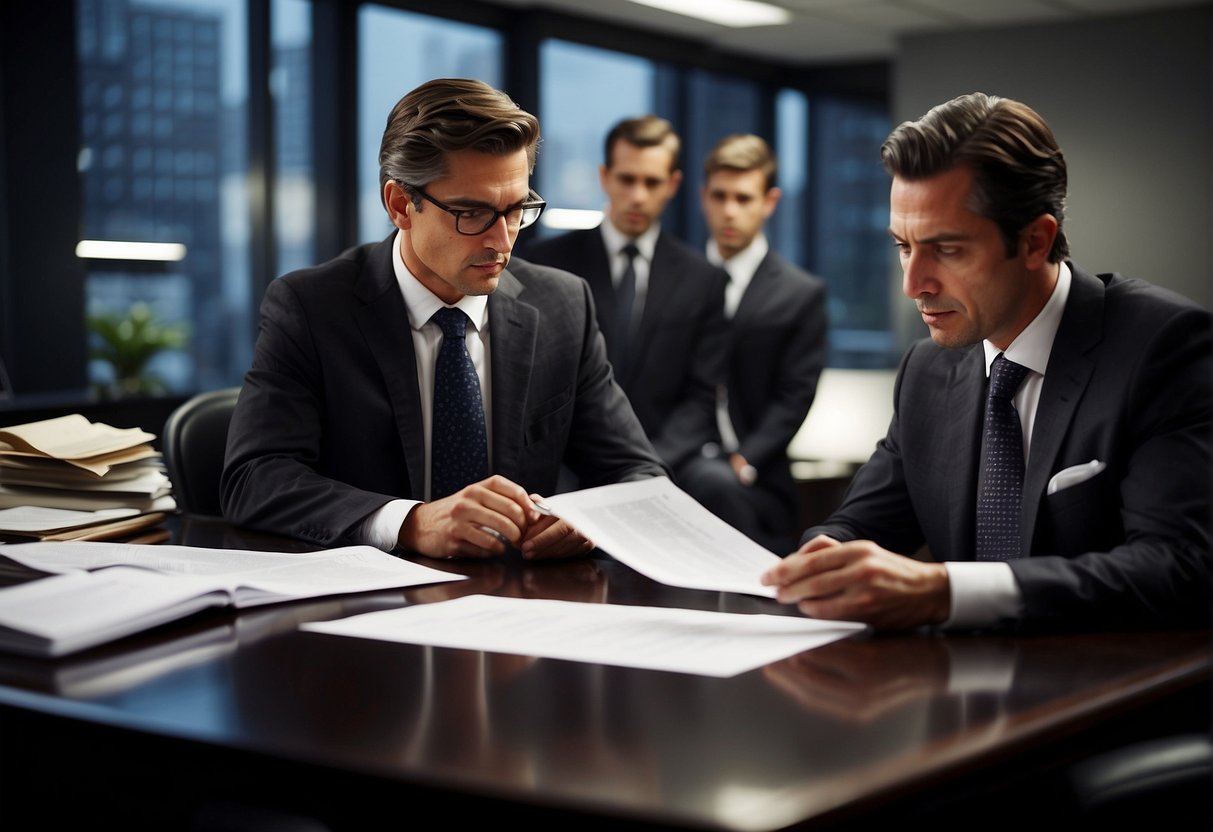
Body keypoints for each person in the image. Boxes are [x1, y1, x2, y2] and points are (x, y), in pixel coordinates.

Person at [761, 92, 1211, 631]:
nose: (912, 284)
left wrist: (944, 591)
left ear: (1034, 241)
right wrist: (825, 557)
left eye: (946, 250)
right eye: (903, 246)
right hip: (961, 695)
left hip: (1117, 691)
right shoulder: (925, 372)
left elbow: (1180, 568)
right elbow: (863, 523)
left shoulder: (1164, 346)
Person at [221, 78, 668, 560]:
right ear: (399, 205)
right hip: (370, 606)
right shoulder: (311, 307)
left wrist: (588, 519)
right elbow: (255, 480)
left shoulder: (563, 305)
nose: (502, 240)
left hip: (521, 605)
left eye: (516, 209)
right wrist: (410, 521)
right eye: (471, 213)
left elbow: (639, 476)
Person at [522, 115, 729, 486]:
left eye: (651, 182)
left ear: (673, 184)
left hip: (661, 459)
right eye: (627, 179)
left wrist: (643, 468)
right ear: (604, 176)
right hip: (564, 460)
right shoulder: (543, 264)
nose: (637, 196)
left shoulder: (704, 280)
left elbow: (701, 399)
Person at [680, 133, 827, 553]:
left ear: (770, 202)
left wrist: (745, 459)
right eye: (720, 196)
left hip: (753, 474)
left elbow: (794, 395)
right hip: (676, 458)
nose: (729, 211)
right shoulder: (678, 281)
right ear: (703, 196)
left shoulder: (800, 293)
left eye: (744, 199)